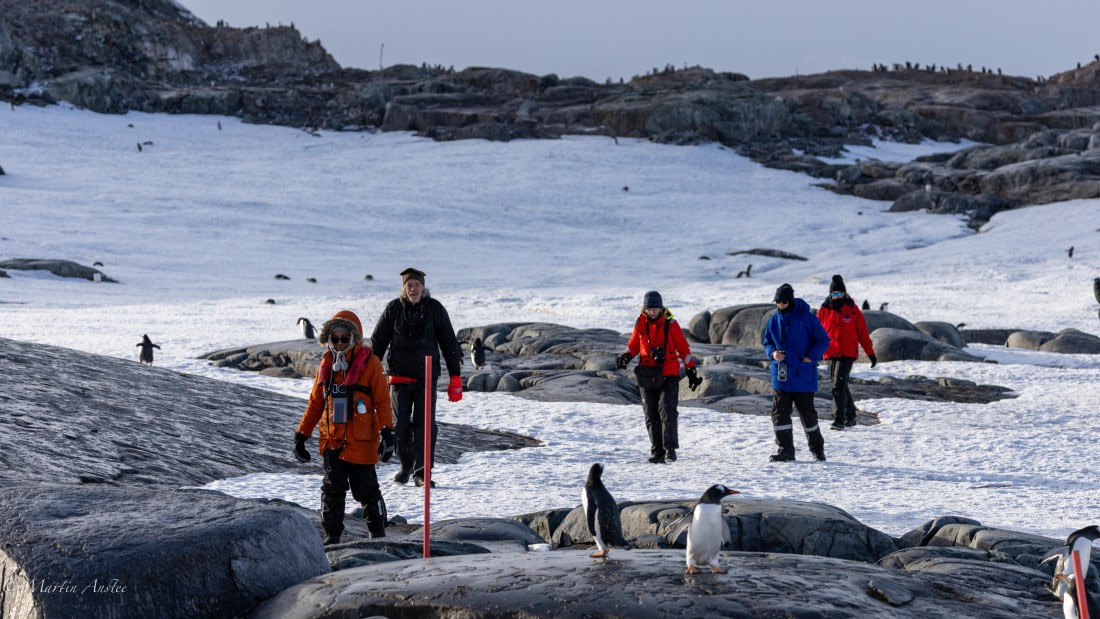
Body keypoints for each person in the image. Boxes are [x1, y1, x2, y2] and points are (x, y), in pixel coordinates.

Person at [294, 310, 395, 545]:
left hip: (362, 441)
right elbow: (315, 403)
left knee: (367, 491)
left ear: (355, 338)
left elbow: (382, 402)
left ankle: (377, 534)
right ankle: (332, 537)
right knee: (332, 491)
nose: (339, 343)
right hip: (332, 441)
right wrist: (301, 435)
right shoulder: (326, 366)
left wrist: (388, 432)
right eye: (335, 338)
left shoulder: (371, 363)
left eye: (344, 338)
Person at [370, 268, 463, 487]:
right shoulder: (393, 308)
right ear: (404, 288)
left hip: (426, 379)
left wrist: (455, 378)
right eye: (409, 286)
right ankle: (406, 465)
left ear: (423, 287)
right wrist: (370, 374)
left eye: (417, 285)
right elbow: (378, 342)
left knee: (425, 426)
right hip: (398, 379)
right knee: (399, 426)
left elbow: (449, 343)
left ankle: (422, 473)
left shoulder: (435, 309)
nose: (413, 289)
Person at [616, 291, 702, 464]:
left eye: (655, 308)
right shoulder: (640, 323)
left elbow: (684, 349)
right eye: (650, 309)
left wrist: (691, 370)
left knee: (667, 409)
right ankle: (657, 451)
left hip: (669, 374)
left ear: (661, 308)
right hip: (647, 374)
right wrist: (626, 356)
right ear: (645, 309)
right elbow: (633, 346)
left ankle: (670, 449)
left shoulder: (671, 324)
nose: (653, 312)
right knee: (650, 413)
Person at [762, 283, 830, 462]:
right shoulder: (773, 319)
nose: (781, 305)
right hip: (781, 376)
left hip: (803, 377)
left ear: (791, 301)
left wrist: (811, 356)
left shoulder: (808, 319)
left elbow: (823, 340)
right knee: (779, 414)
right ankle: (786, 451)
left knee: (808, 416)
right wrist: (773, 353)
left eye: (784, 301)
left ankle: (817, 451)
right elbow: (767, 342)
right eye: (778, 302)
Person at [817, 275, 877, 431]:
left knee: (838, 385)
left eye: (839, 294)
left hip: (847, 353)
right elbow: (816, 333)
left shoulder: (853, 310)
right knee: (840, 385)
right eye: (833, 294)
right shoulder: (824, 310)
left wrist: (870, 353)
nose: (836, 297)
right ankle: (851, 416)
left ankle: (839, 419)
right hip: (830, 353)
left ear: (844, 293)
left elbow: (863, 333)